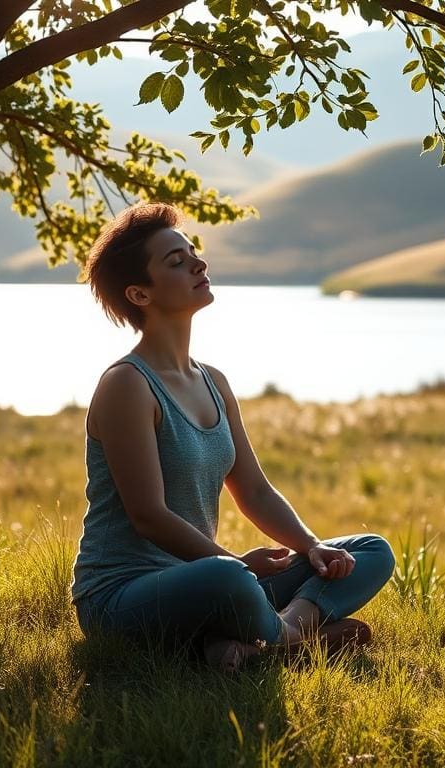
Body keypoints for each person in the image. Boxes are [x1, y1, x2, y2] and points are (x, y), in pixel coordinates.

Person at [70, 202, 396, 672]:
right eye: (176, 262)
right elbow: (148, 516)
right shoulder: (127, 385)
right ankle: (286, 641)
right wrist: (238, 566)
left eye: (192, 253)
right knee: (228, 580)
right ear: (140, 294)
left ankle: (250, 639)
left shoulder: (213, 381)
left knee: (367, 551)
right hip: (121, 597)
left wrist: (311, 547)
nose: (198, 264)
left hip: (201, 581)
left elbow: (256, 490)